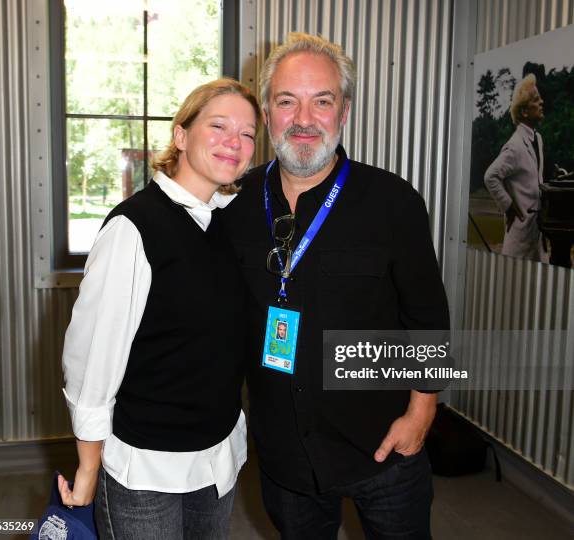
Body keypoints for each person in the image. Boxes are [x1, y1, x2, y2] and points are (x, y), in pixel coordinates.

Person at [221, 33, 450, 539]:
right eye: (287, 101)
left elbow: (428, 317)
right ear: (266, 113)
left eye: (321, 101)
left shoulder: (394, 202)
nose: (304, 119)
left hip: (384, 445)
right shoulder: (235, 207)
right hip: (285, 456)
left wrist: (422, 411)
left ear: (343, 111)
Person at [59, 78, 260, 539]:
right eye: (219, 126)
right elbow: (92, 355)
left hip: (217, 458)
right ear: (181, 136)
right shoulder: (134, 227)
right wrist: (89, 465)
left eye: (248, 133)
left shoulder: (227, 222)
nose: (235, 141)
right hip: (145, 470)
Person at [484, 73, 547, 262]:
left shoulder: (539, 139)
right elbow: (490, 176)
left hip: (537, 235)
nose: (542, 102)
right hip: (519, 238)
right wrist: (509, 206)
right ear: (525, 112)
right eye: (536, 100)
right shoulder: (515, 146)